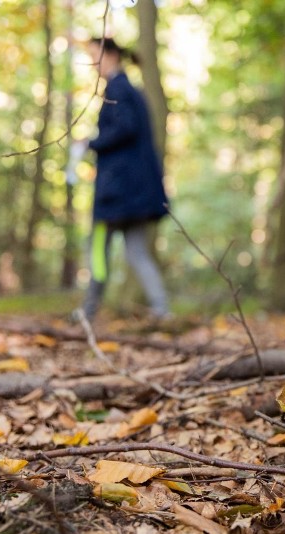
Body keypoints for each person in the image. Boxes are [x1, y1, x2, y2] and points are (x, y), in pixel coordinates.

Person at [77, 37, 171, 322]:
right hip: (133, 194)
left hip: (117, 195)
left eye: (96, 56)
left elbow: (124, 128)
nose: (94, 64)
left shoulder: (117, 88)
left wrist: (90, 143)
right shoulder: (130, 89)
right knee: (135, 252)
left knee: (98, 251)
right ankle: (161, 309)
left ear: (113, 55)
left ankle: (89, 310)